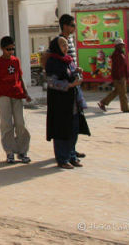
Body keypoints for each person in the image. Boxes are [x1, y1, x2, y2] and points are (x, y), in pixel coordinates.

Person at [45, 33, 90, 169]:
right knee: (61, 131)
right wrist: (69, 85)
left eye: (66, 44)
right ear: (56, 47)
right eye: (62, 44)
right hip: (60, 103)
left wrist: (76, 71)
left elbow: (69, 74)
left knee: (73, 130)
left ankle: (72, 156)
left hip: (73, 102)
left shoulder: (68, 60)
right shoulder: (52, 62)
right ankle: (62, 159)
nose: (65, 47)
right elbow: (51, 82)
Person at [0, 36, 32, 164]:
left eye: (12, 49)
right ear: (2, 49)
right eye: (8, 49)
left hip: (17, 95)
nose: (11, 51)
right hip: (3, 96)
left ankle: (23, 151)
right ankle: (9, 151)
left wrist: (26, 93)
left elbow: (20, 78)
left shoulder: (16, 61)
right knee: (6, 124)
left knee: (20, 123)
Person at [98, 39, 129, 113]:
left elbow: (124, 66)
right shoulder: (117, 55)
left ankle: (103, 102)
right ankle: (125, 108)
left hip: (120, 76)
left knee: (117, 91)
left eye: (122, 45)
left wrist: (127, 76)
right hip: (119, 76)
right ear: (117, 46)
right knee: (122, 93)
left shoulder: (120, 53)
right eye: (120, 45)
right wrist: (120, 77)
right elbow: (118, 68)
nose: (122, 46)